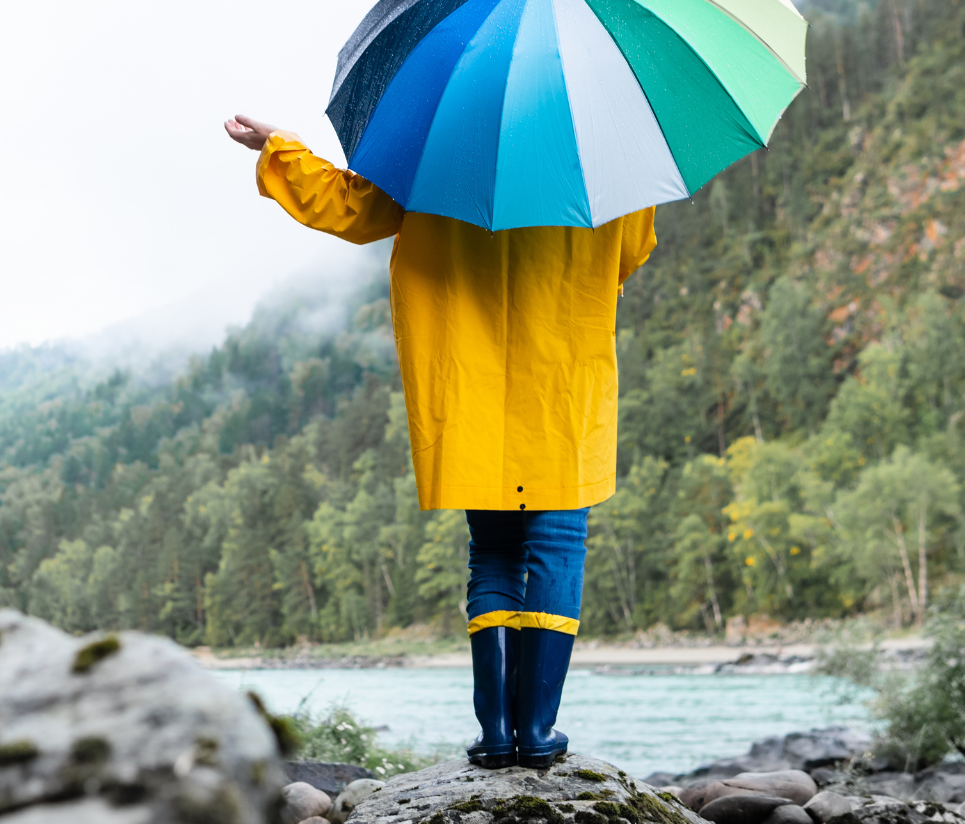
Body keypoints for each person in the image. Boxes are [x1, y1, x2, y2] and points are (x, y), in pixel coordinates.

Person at [224, 113, 655, 769]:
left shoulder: (441, 137)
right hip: (562, 384)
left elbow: (353, 207)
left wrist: (279, 149)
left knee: (496, 554)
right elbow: (630, 252)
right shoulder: (610, 153)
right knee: (558, 544)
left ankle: (493, 736)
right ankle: (536, 734)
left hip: (471, 384)